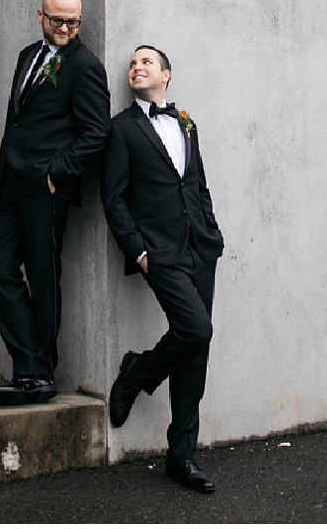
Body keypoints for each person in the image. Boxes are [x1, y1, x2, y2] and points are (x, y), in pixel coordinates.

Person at [101, 44, 225, 494]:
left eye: (146, 62)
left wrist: (212, 231)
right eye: (133, 63)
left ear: (166, 74)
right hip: (160, 253)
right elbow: (113, 198)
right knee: (196, 330)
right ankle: (135, 373)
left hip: (200, 248)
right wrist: (138, 251)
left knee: (196, 354)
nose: (137, 67)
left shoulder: (186, 123)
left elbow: (199, 183)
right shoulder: (121, 129)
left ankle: (182, 456)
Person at [0, 0, 111, 406]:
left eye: (74, 22)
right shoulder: (26, 57)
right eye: (58, 20)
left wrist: (57, 174)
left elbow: (97, 133)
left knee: (43, 277)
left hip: (44, 190)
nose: (66, 29)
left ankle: (38, 375)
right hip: (9, 186)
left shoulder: (85, 66)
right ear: (40, 16)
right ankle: (30, 362)